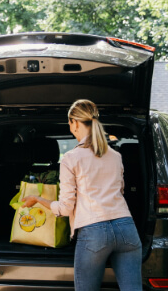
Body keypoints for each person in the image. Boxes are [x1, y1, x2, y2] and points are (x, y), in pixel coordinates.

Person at [22, 99, 141, 290]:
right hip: (126, 228)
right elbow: (120, 192)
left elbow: (66, 207)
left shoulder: (71, 158)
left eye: (69, 122)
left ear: (75, 123)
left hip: (94, 232)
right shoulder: (116, 156)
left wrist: (37, 199)